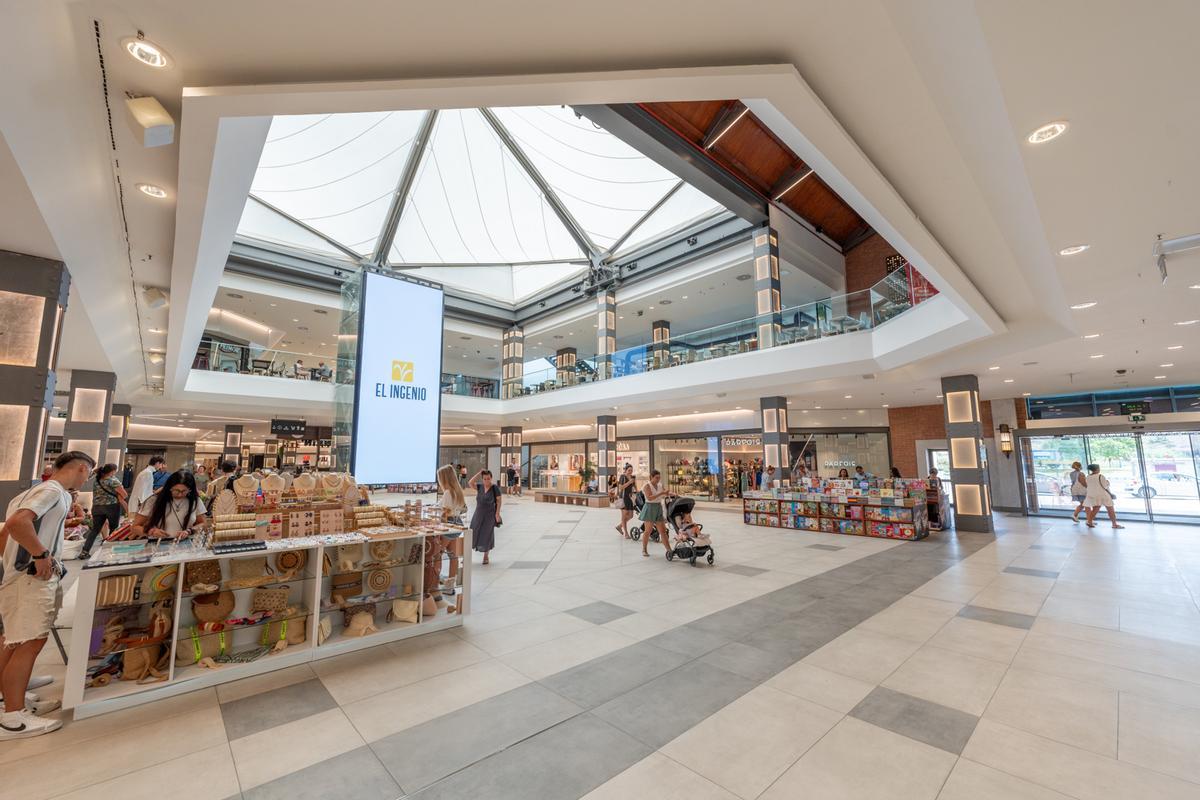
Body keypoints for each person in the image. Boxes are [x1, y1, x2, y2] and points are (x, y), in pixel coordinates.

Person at [0, 450, 94, 739]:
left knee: (14, 640)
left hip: (20, 577)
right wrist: (39, 555)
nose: (86, 479)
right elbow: (17, 524)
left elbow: (5, 535)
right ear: (81, 468)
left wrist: (13, 565)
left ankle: (10, 699)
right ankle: (13, 718)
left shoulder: (33, 492)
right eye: (88, 473)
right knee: (30, 640)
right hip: (31, 578)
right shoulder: (52, 491)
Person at [130, 471, 207, 539]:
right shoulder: (154, 500)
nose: (180, 494)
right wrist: (152, 532)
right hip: (157, 545)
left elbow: (203, 524)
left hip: (184, 546)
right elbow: (135, 527)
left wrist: (189, 531)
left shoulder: (195, 501)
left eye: (184, 491)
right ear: (169, 487)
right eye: (176, 490)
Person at [79, 463, 127, 560]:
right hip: (111, 507)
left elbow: (91, 475)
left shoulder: (97, 480)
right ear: (112, 471)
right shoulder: (113, 481)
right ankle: (109, 552)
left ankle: (84, 551)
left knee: (95, 530)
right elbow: (124, 494)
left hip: (97, 507)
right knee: (113, 529)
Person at [468, 469, 501, 565]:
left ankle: (486, 556)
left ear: (491, 478)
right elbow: (470, 483)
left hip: (489, 515)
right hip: (478, 513)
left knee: (487, 534)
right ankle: (467, 555)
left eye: (488, 479)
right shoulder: (480, 487)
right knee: (473, 532)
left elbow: (499, 501)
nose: (487, 481)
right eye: (485, 479)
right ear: (482, 479)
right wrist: (479, 473)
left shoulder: (495, 488)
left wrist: (497, 514)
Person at [638, 470, 671, 558]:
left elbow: (664, 494)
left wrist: (669, 493)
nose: (658, 479)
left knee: (663, 531)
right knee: (648, 531)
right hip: (650, 508)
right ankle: (644, 549)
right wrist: (662, 493)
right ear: (651, 477)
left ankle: (669, 550)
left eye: (659, 478)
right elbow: (649, 498)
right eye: (656, 478)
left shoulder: (660, 485)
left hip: (658, 507)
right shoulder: (646, 486)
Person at [1082, 464, 1124, 529]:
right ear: (1097, 469)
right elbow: (1105, 486)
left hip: (1093, 495)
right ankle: (1114, 524)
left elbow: (1089, 485)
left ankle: (1089, 521)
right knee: (1110, 509)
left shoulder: (1088, 477)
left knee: (1095, 509)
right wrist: (1108, 483)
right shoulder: (1100, 476)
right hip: (1103, 495)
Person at [615, 464, 636, 539]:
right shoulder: (622, 476)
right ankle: (626, 534)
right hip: (623, 497)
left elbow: (633, 487)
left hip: (629, 498)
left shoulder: (632, 477)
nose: (630, 472)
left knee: (631, 515)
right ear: (625, 470)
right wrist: (629, 482)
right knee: (624, 516)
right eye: (629, 470)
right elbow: (621, 487)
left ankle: (619, 526)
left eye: (631, 470)